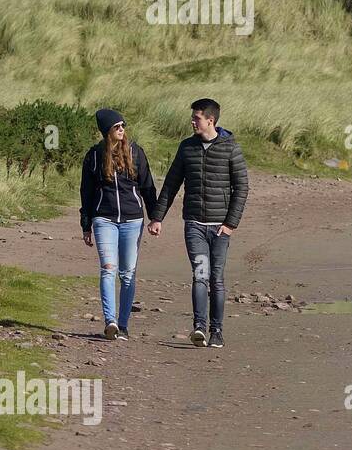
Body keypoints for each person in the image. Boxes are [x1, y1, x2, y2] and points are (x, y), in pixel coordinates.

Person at [148, 98, 249, 348]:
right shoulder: (186, 148)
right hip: (194, 225)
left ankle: (217, 331)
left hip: (220, 228)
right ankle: (199, 327)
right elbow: (171, 184)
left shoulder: (230, 148)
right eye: (193, 118)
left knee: (216, 278)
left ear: (210, 120)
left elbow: (242, 188)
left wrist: (230, 224)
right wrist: (157, 217)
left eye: (197, 118)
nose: (192, 122)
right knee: (200, 275)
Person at [80, 109, 157, 341]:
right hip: (104, 219)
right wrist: (86, 225)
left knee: (127, 274)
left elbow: (148, 187)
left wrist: (155, 218)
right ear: (107, 131)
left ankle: (123, 325)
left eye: (123, 125)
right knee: (108, 269)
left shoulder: (136, 152)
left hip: (133, 220)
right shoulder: (94, 155)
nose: (122, 130)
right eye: (117, 127)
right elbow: (86, 192)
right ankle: (110, 321)